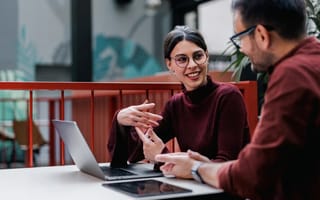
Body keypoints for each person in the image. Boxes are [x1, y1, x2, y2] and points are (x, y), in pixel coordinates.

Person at [155, 0, 320, 199]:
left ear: (261, 35)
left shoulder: (292, 76)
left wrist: (196, 169)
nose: (241, 49)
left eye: (241, 38)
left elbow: (254, 174)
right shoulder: (311, 64)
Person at [108, 25, 250, 168]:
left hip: (226, 188)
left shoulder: (228, 96)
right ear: (169, 64)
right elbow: (136, 153)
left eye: (198, 56)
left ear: (207, 56)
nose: (192, 65)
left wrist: (162, 156)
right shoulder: (176, 104)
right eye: (182, 59)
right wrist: (121, 120)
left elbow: (226, 164)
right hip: (195, 187)